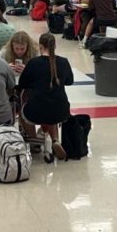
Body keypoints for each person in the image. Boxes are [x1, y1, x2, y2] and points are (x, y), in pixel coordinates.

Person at [18, 33, 73, 162]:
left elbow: (22, 84)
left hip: (36, 111)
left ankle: (34, 141)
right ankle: (55, 140)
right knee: (52, 107)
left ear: (40, 46)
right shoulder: (64, 62)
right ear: (55, 45)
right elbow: (69, 81)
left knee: (23, 112)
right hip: (61, 111)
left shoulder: (33, 63)